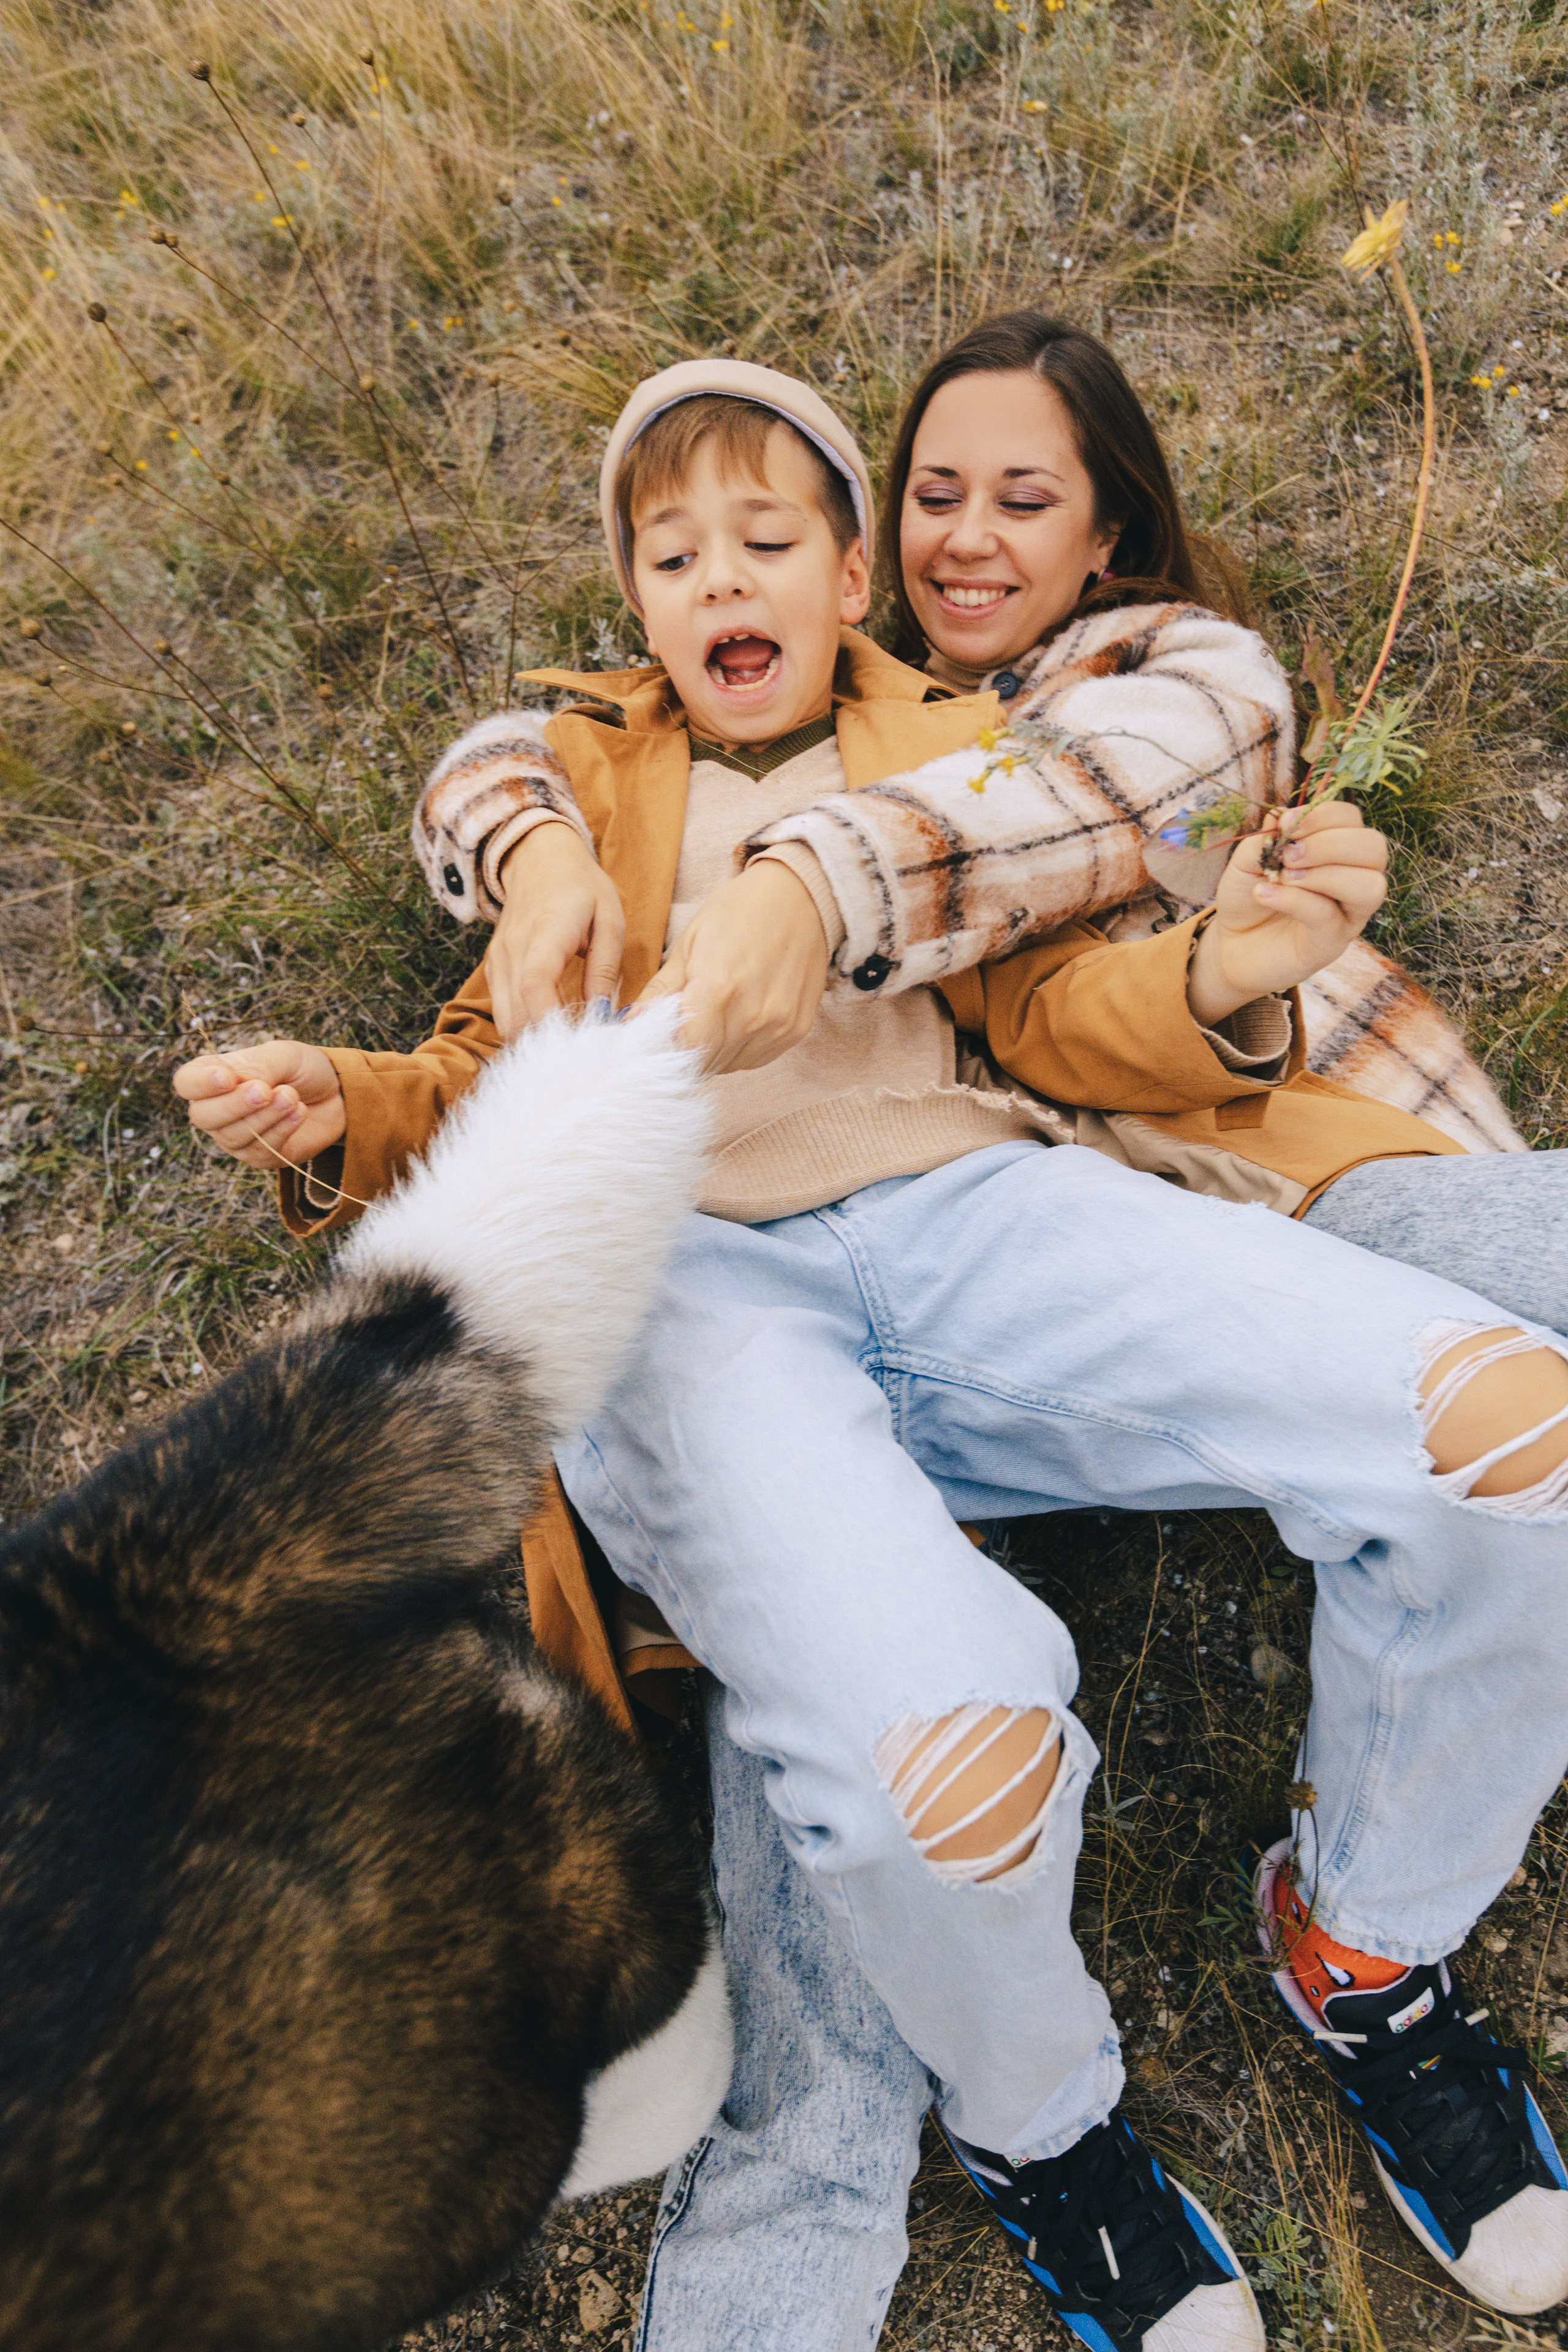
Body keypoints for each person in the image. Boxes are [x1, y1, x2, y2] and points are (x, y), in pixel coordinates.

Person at [175, 359, 1568, 2352]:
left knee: (1516, 1434)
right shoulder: (578, 780)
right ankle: (1045, 2131)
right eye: (672, 556)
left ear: (850, 582)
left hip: (988, 1221)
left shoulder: (963, 750)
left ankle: (1360, 1939)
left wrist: (1221, 979)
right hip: (699, 1300)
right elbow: (486, 1058)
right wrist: (349, 1090)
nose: (719, 576)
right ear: (637, 609)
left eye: (766, 539)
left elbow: (1062, 1019)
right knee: (953, 1773)